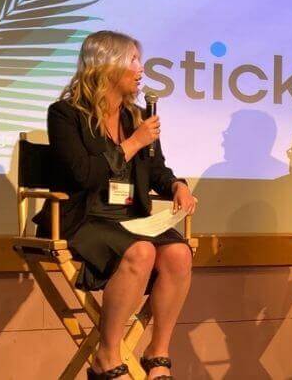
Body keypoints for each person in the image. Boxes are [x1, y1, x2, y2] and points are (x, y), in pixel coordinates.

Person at [35, 31, 197, 379]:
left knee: (179, 254)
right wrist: (133, 143)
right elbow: (82, 174)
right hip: (84, 216)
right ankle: (106, 357)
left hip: (129, 217)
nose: (141, 69)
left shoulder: (136, 116)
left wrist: (177, 185)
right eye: (133, 60)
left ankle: (157, 353)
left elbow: (156, 170)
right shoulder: (65, 114)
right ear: (105, 65)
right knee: (141, 252)